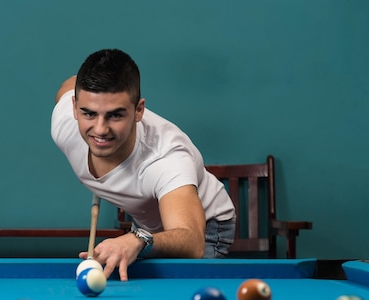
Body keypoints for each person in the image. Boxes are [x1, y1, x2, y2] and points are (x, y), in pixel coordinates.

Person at [51, 48, 236, 281]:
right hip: (148, 225)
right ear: (75, 106)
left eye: (115, 115)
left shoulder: (166, 158)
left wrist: (138, 239)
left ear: (139, 110)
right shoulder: (65, 124)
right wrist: (140, 237)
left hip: (204, 226)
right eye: (89, 113)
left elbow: (192, 242)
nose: (99, 129)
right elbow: (68, 85)